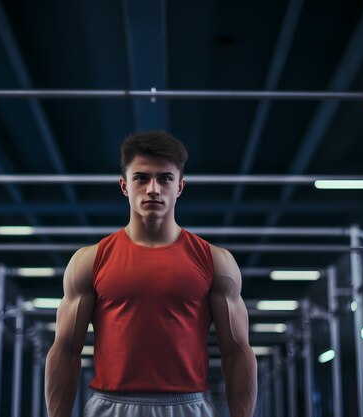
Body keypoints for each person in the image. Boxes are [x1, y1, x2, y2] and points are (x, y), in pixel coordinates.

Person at [45, 130, 257, 417]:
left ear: (180, 186)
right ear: (124, 186)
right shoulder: (89, 260)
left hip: (187, 407)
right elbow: (65, 350)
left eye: (165, 178)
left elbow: (237, 352)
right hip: (111, 407)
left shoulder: (216, 261)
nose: (153, 188)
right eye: (141, 178)